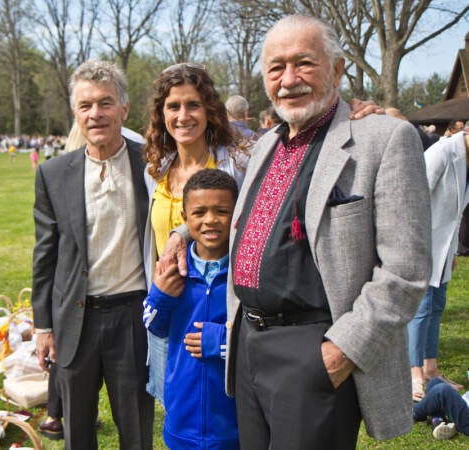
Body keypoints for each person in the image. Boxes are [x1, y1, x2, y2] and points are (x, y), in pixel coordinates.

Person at [159, 15, 431, 448]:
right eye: (275, 68)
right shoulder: (264, 143)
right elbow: (223, 212)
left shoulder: (383, 139)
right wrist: (182, 233)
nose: (288, 80)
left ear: (337, 69)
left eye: (304, 63)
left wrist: (340, 352)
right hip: (247, 345)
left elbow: (406, 269)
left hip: (315, 350)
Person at [31, 59, 153, 450]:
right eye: (85, 105)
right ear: (75, 113)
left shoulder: (151, 163)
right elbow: (45, 255)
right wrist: (43, 325)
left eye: (105, 103)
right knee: (78, 434)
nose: (95, 114)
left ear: (124, 109)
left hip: (132, 317)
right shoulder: (54, 174)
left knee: (135, 431)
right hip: (75, 321)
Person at [143, 62, 249, 405]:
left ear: (209, 111)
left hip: (220, 310)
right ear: (162, 113)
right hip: (171, 305)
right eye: (173, 106)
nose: (183, 115)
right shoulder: (157, 169)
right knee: (175, 406)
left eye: (193, 105)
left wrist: (182, 232)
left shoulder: (235, 164)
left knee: (226, 409)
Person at [143, 168, 239, 449]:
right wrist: (160, 296)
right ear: (185, 219)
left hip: (234, 425)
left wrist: (223, 342)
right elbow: (153, 325)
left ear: (237, 215)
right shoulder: (172, 272)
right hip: (182, 421)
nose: (210, 220)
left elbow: (260, 337)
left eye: (222, 211)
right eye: (199, 213)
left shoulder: (243, 275)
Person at [408, 130, 468, 400]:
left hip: (443, 248)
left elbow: (456, 213)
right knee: (422, 308)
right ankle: (414, 373)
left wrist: (452, 250)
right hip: (421, 243)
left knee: (436, 306)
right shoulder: (442, 152)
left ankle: (432, 370)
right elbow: (412, 198)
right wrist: (413, 248)